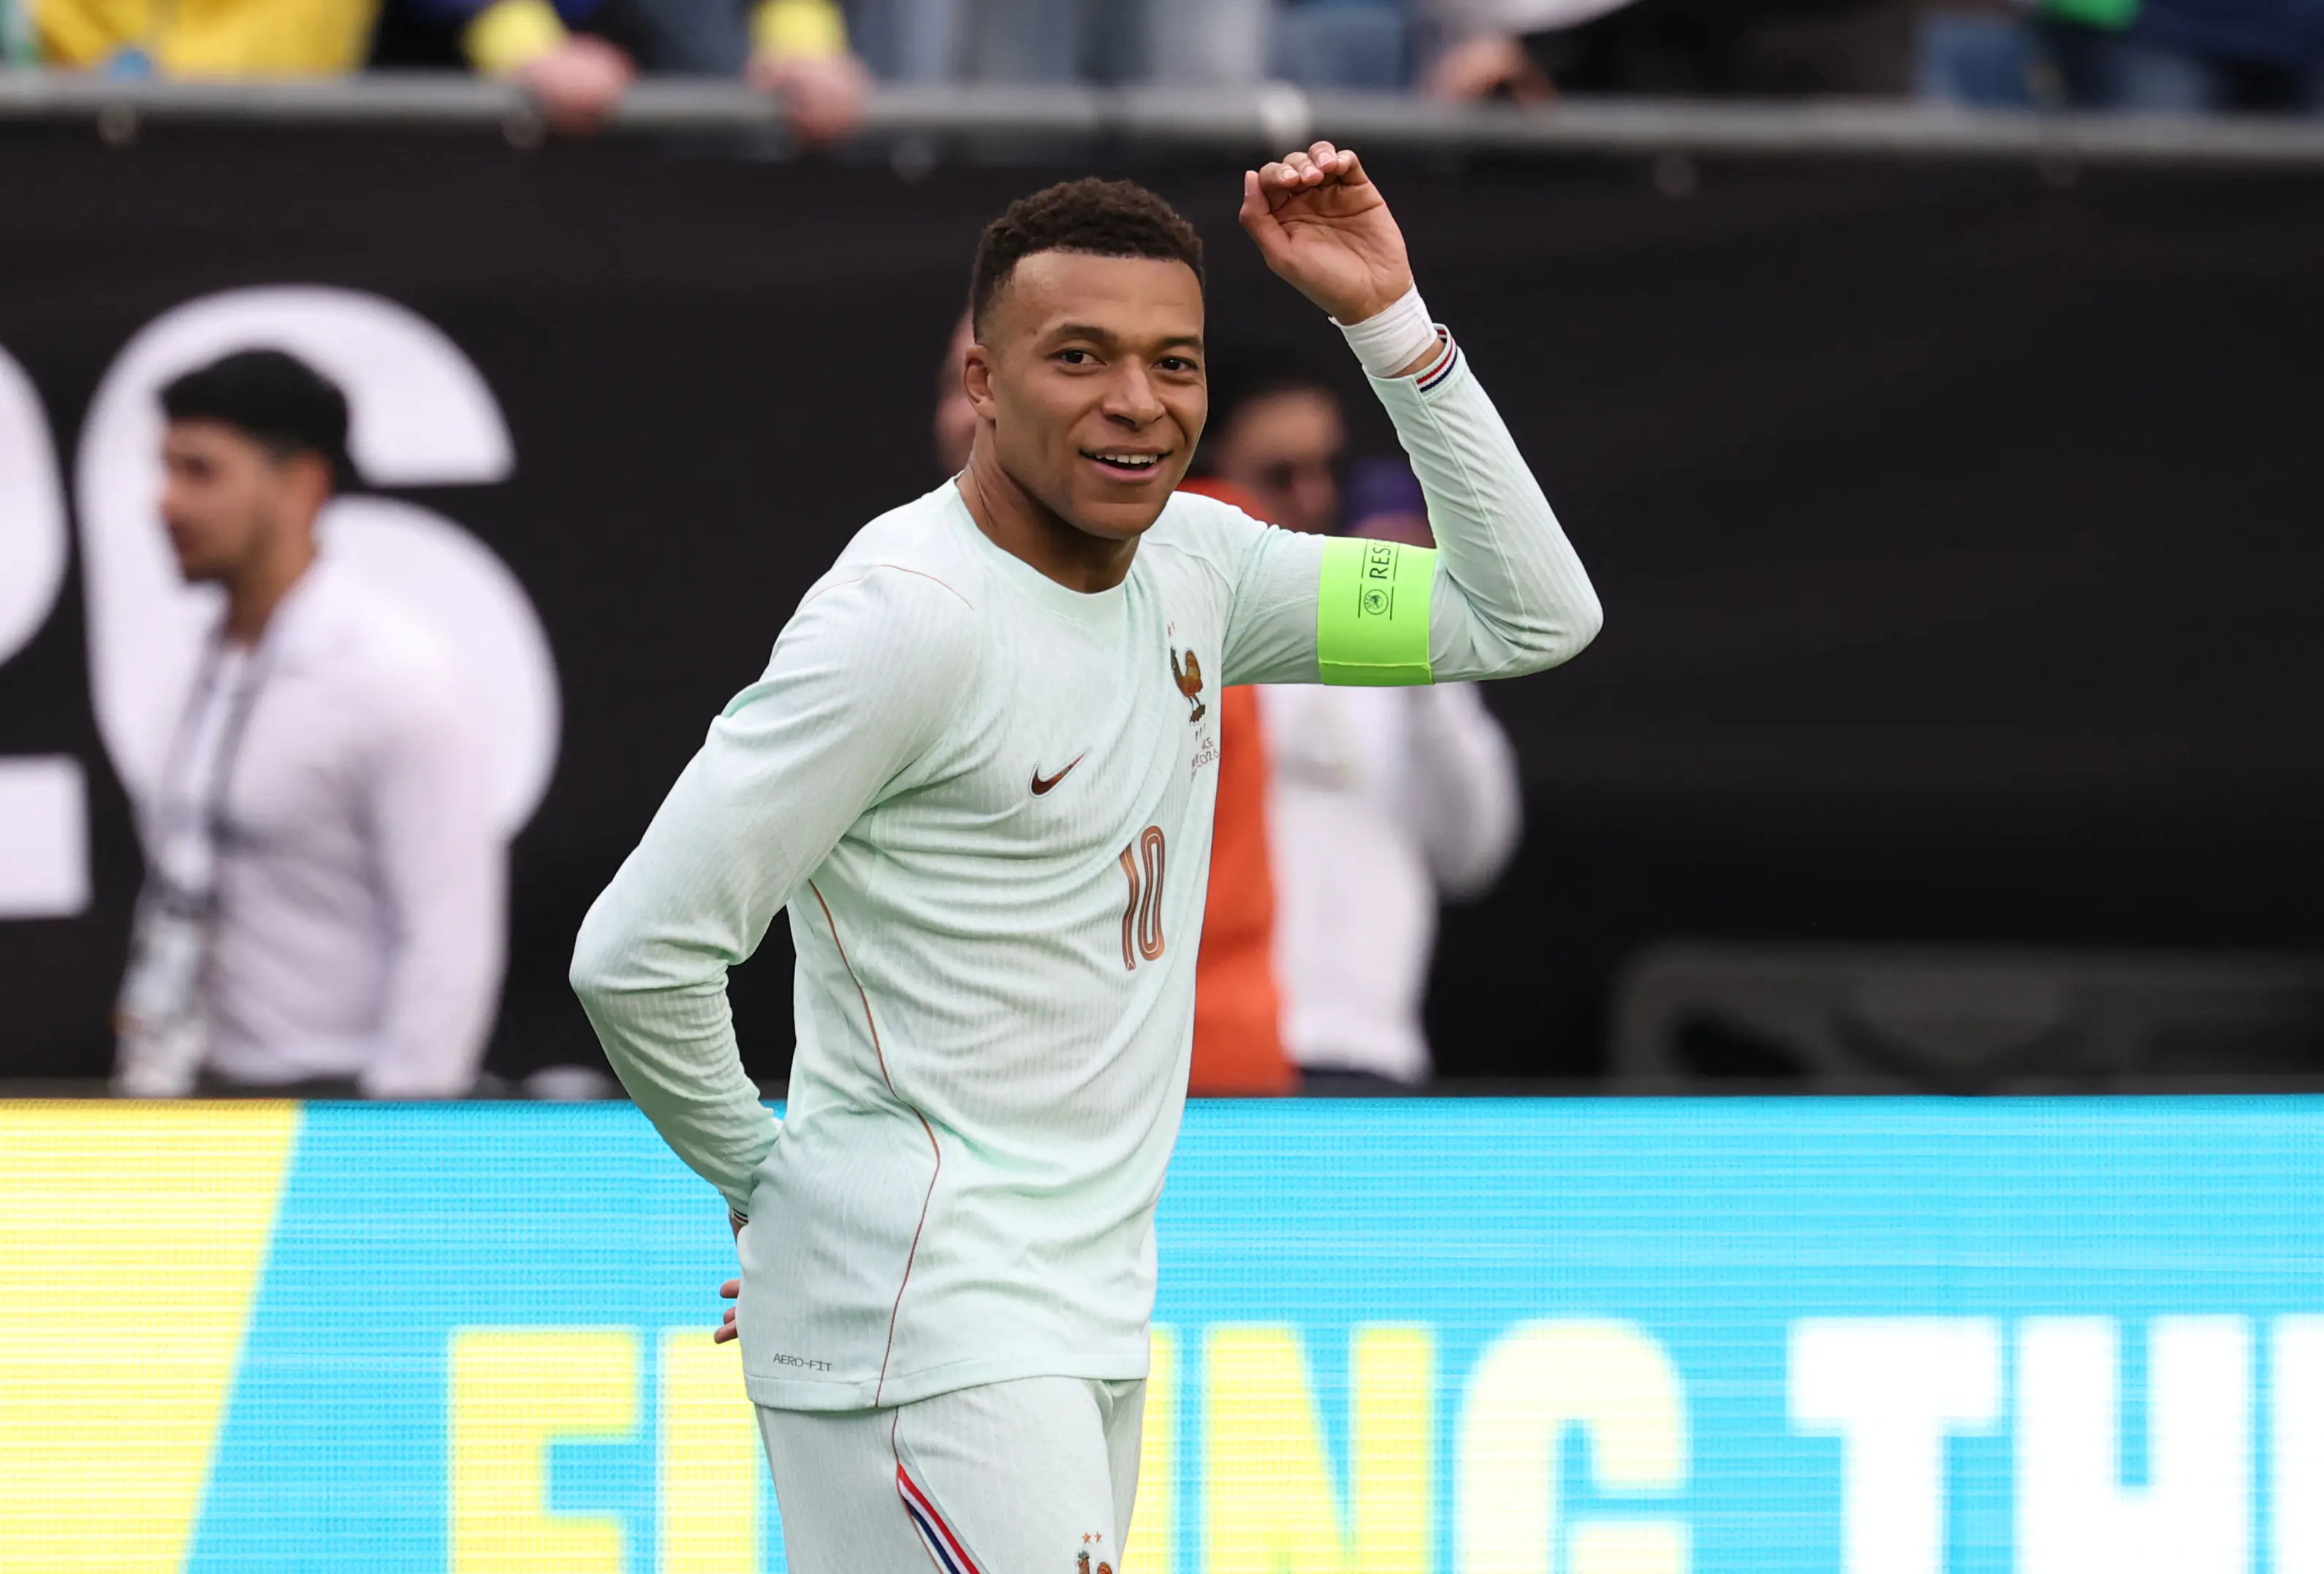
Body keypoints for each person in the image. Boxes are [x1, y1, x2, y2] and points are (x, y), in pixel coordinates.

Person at [570, 146, 1601, 1567]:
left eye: (1174, 363)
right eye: (1078, 356)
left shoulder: (1208, 565)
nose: (1137, 399)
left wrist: (1390, 322)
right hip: (933, 1321)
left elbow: (1528, 616)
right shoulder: (906, 622)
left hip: (1082, 1313)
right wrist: (776, 1187)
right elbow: (639, 953)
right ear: (982, 382)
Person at [113, 349, 505, 1099]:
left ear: (300, 485)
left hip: (338, 1108)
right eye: (165, 469)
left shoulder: (394, 677)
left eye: (200, 472)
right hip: (202, 1098)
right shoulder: (197, 666)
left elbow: (449, 945)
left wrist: (389, 1144)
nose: (166, 502)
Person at [935, 312, 1294, 1095]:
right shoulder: (914, 599)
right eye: (966, 382)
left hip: (1202, 1062)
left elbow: (1521, 619)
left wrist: (1400, 336)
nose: (976, 413)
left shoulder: (1202, 557)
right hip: (1021, 1083)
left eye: (1069, 361)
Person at [1206, 366, 1524, 1087]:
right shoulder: (1188, 633)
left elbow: (1474, 854)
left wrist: (1426, 658)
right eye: (1280, 475)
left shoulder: (1394, 643)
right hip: (1224, 1047)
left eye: (1328, 470)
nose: (1314, 497)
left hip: (1373, 1055)